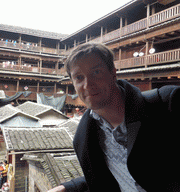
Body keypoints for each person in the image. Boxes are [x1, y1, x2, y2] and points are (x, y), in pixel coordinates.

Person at [48, 43, 180, 192]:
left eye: (96, 72)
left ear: (113, 73)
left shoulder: (168, 104)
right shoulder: (85, 136)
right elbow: (105, 177)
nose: (87, 84)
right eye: (79, 77)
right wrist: (67, 188)